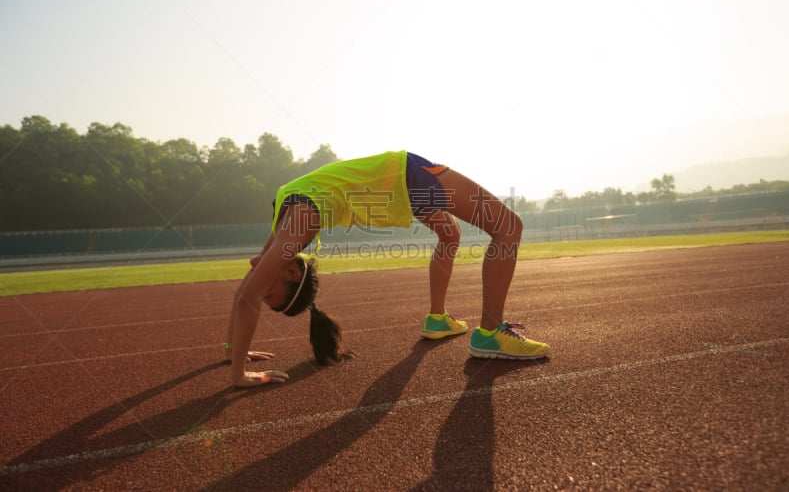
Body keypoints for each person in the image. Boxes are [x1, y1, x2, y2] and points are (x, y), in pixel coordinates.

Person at [223, 151, 549, 388]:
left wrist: (236, 368)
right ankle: (489, 334)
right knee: (506, 226)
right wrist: (236, 350)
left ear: (293, 273)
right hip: (401, 180)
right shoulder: (289, 220)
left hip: (402, 179)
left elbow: (246, 296)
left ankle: (439, 319)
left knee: (478, 230)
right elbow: (249, 290)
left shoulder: (296, 222)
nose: (261, 282)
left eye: (269, 293)